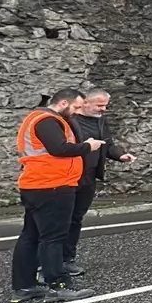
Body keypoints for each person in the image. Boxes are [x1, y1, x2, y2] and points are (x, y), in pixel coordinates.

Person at [11, 89, 104, 303]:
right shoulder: (47, 121)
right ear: (63, 103)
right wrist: (88, 146)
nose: (78, 112)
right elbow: (59, 149)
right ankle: (58, 286)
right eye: (76, 107)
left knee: (31, 236)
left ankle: (25, 286)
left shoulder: (38, 118)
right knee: (53, 237)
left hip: (39, 185)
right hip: (52, 185)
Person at [63, 89, 136, 277]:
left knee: (76, 219)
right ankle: (46, 262)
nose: (104, 109)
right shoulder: (69, 121)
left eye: (105, 105)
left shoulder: (101, 120)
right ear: (85, 102)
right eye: (99, 105)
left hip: (89, 177)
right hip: (68, 177)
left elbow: (108, 144)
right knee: (60, 220)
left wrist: (120, 155)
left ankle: (67, 259)